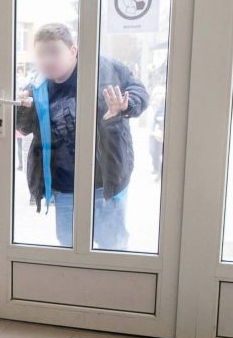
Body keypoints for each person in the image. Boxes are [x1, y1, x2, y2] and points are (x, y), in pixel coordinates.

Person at [16, 23, 148, 250]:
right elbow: (26, 128)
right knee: (69, 247)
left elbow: (139, 92)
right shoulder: (37, 85)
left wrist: (125, 106)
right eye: (41, 54)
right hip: (65, 186)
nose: (47, 60)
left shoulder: (102, 69)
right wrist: (23, 110)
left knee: (112, 247)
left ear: (73, 51)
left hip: (105, 182)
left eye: (54, 52)